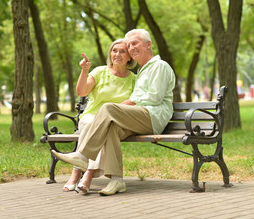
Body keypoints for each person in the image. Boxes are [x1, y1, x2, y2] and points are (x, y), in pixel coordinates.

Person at [52, 29, 176, 196]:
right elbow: (82, 91)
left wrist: (129, 103)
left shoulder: (159, 66)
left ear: (148, 45)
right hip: (141, 116)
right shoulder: (142, 70)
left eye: (135, 43)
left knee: (109, 108)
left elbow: (155, 97)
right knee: (112, 129)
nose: (131, 47)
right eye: (129, 45)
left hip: (153, 116)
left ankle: (82, 156)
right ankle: (117, 180)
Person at [63, 39, 136, 193]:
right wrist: (84, 71)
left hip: (115, 119)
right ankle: (80, 173)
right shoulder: (100, 71)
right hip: (91, 116)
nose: (117, 54)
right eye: (114, 50)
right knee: (94, 125)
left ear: (129, 56)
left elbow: (135, 102)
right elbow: (82, 92)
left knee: (106, 126)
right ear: (110, 54)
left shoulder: (134, 80)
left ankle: (85, 174)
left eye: (122, 51)